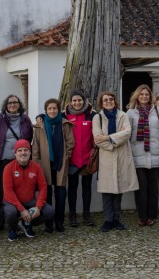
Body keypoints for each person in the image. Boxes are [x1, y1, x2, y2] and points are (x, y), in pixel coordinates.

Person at [92, 91, 138, 232]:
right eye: (105, 100)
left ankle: (116, 218)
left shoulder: (122, 115)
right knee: (107, 190)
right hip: (106, 157)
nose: (108, 102)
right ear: (101, 103)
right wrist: (113, 141)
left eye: (111, 99)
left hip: (122, 156)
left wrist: (108, 138)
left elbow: (127, 133)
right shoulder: (97, 118)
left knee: (119, 189)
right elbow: (97, 139)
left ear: (115, 101)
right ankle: (108, 219)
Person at [127, 84, 159, 227]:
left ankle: (151, 215)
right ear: (137, 96)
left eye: (146, 94)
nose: (144, 97)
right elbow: (126, 133)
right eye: (142, 94)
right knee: (141, 187)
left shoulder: (158, 111)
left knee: (153, 187)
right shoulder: (131, 112)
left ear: (150, 96)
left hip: (155, 153)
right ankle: (142, 216)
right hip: (137, 154)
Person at [0, 95, 33, 233]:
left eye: (15, 102)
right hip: (4, 161)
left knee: (21, 190)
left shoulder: (25, 120)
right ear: (6, 105)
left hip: (21, 161)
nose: (12, 104)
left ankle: (20, 221)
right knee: (2, 192)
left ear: (19, 105)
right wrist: (1, 151)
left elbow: (29, 137)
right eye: (10, 103)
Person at [32, 98, 75, 232]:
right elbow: (35, 147)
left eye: (54, 108)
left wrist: (66, 156)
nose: (52, 111)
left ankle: (59, 222)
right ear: (46, 111)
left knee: (61, 193)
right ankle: (48, 224)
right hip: (44, 164)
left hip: (61, 163)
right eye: (49, 109)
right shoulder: (40, 125)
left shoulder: (64, 124)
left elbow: (70, 143)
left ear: (58, 110)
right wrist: (36, 162)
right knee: (47, 193)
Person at [2, 139, 55, 241]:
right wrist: (21, 210)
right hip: (11, 202)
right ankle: (12, 229)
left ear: (30, 152)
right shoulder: (8, 168)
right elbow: (8, 191)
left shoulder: (36, 167)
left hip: (29, 201)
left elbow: (43, 187)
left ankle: (27, 224)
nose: (23, 153)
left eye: (26, 150)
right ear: (15, 153)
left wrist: (38, 207)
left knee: (49, 211)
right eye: (20, 150)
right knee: (11, 212)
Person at [63, 89, 98, 227]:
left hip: (87, 159)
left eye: (79, 100)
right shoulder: (64, 115)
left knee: (87, 188)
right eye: (74, 100)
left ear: (84, 101)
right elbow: (49, 115)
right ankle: (72, 215)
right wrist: (40, 116)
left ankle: (86, 214)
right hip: (72, 159)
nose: (77, 103)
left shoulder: (92, 115)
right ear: (70, 102)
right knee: (72, 188)